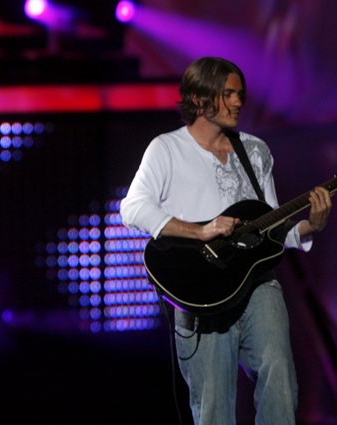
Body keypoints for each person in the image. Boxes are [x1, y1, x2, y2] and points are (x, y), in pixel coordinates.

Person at [119, 56, 332, 425]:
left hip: (256, 285)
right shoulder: (166, 149)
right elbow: (133, 207)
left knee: (281, 379)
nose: (238, 102)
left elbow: (272, 228)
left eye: (240, 94)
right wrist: (200, 230)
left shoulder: (256, 151)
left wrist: (310, 226)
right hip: (200, 291)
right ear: (199, 99)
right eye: (229, 94)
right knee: (214, 406)